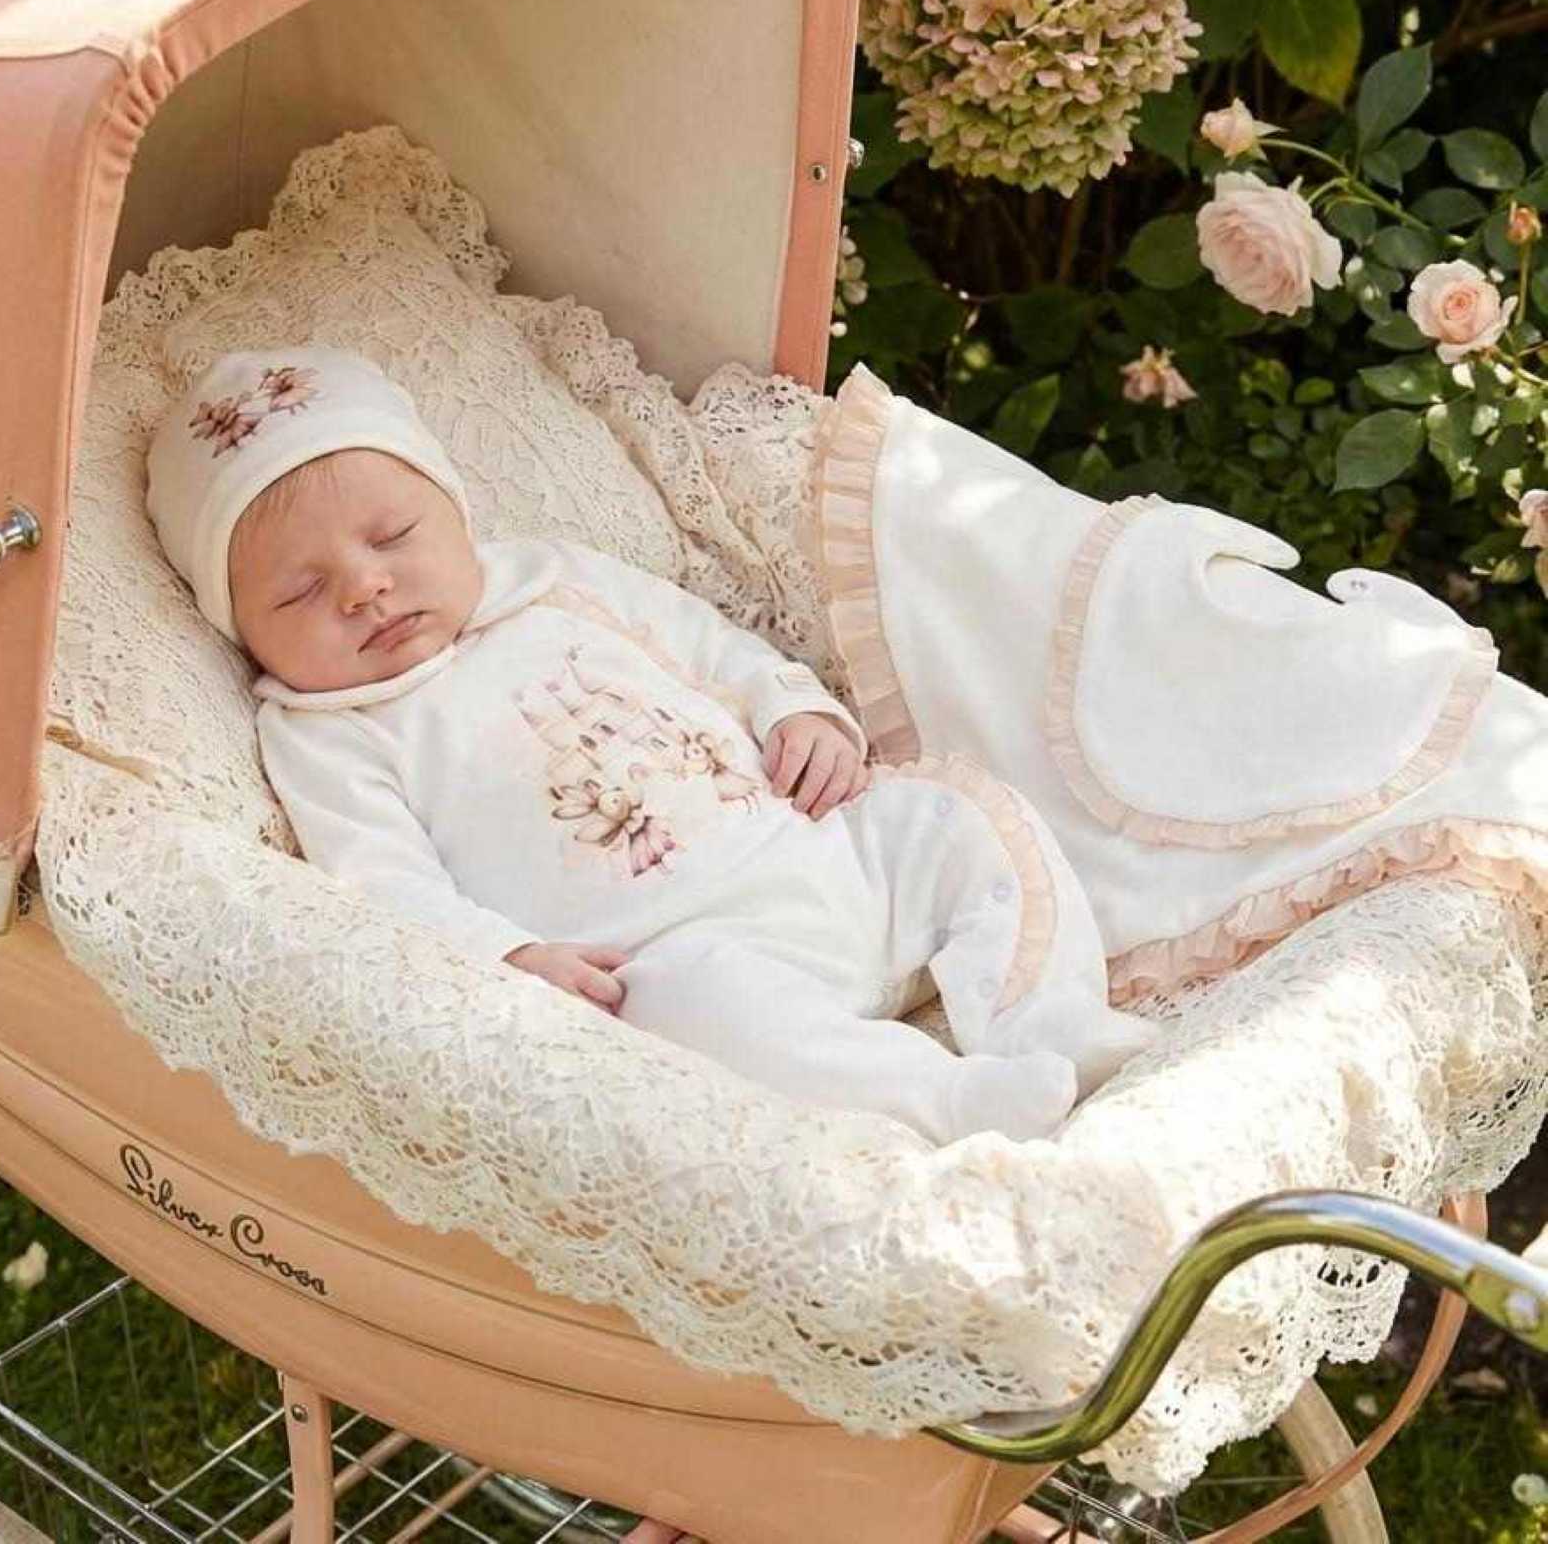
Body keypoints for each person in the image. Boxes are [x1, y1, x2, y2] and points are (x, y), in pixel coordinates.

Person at [145, 348, 1158, 1156]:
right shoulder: (328, 731)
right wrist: (505, 956)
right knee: (685, 1023)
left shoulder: (554, 580)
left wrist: (796, 713)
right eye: (300, 593)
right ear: (243, 632)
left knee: (956, 817)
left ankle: (1046, 1020)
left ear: (454, 510)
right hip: (684, 953)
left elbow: (713, 648)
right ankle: (948, 1102)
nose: (364, 588)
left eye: (392, 536)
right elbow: (380, 886)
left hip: (820, 849)